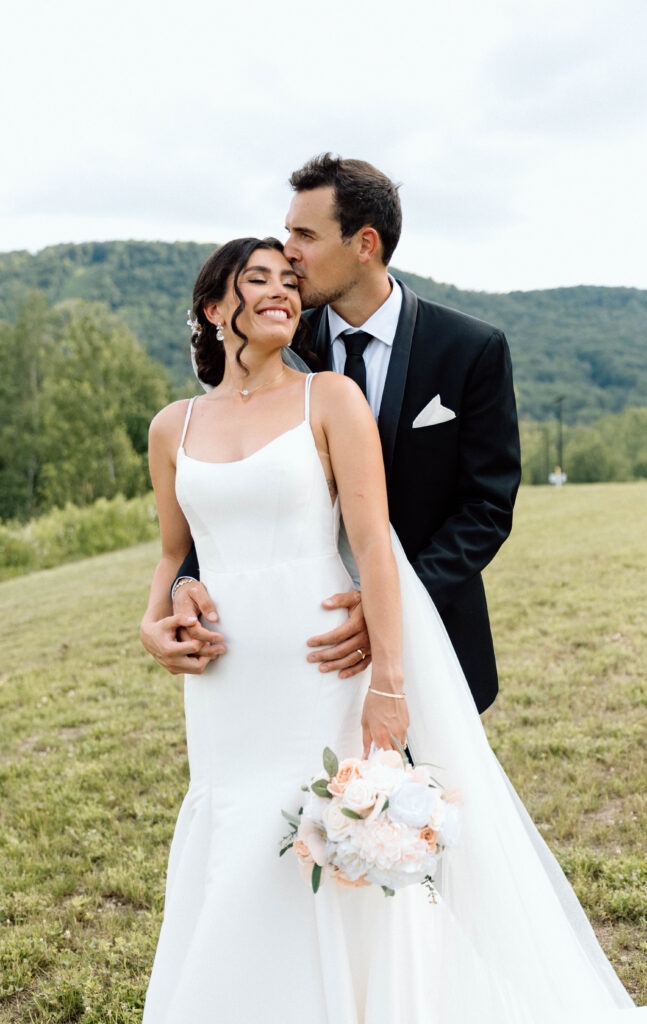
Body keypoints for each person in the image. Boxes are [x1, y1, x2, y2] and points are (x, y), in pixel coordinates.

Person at [140, 234, 647, 1023]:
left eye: (290, 280)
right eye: (258, 278)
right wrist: (153, 624)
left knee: (321, 833)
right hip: (226, 686)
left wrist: (387, 685)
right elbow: (169, 554)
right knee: (236, 837)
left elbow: (374, 551)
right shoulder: (171, 426)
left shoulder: (329, 398)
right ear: (212, 306)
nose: (282, 290)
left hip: (323, 661)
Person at [140, 155, 521, 716]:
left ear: (364, 244)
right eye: (288, 230)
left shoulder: (470, 349)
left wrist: (387, 600)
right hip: (295, 646)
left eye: (305, 235)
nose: (288, 250)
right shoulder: (275, 337)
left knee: (423, 800)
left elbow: (487, 506)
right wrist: (182, 585)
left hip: (431, 623)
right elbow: (226, 481)